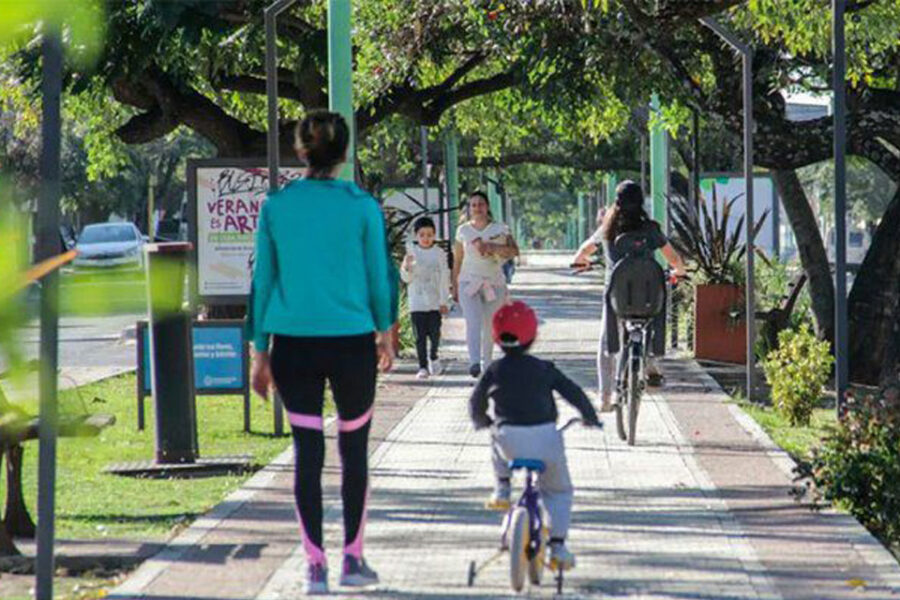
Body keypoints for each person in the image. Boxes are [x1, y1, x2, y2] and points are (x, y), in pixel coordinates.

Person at [248, 110, 394, 595]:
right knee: (354, 453)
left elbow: (263, 281)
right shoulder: (363, 207)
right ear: (346, 154)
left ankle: (315, 567)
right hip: (352, 344)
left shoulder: (276, 207)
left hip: (293, 346)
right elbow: (379, 276)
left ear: (300, 152)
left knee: (306, 454)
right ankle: (353, 559)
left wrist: (258, 351)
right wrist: (386, 332)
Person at [469, 300, 600, 569]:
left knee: (496, 434)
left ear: (496, 337)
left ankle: (503, 487)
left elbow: (476, 401)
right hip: (545, 439)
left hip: (509, 443)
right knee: (558, 491)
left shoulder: (493, 370)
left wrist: (482, 420)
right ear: (533, 336)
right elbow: (572, 391)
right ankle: (558, 548)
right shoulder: (544, 368)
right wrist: (590, 417)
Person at [571, 180, 686, 412]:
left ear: (617, 202)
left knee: (606, 343)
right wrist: (679, 272)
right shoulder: (651, 229)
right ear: (642, 203)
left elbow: (583, 252)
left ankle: (605, 397)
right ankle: (652, 360)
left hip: (616, 298)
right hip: (648, 297)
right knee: (654, 315)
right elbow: (674, 259)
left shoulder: (607, 228)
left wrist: (581, 261)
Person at [452, 191, 519, 378]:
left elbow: (514, 251)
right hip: (468, 282)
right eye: (473, 205)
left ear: (487, 206)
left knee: (490, 325)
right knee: (472, 321)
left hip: (493, 283)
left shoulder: (500, 229)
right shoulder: (463, 231)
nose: (477, 208)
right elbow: (457, 259)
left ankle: (488, 364)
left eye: (480, 204)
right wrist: (454, 285)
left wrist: (493, 248)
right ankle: (474, 362)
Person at [400, 216, 451, 380]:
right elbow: (406, 278)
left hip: (435, 302)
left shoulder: (439, 253)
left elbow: (445, 278)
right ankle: (422, 366)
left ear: (434, 235)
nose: (426, 238)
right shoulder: (411, 253)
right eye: (422, 235)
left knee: (435, 334)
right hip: (417, 302)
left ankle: (434, 356)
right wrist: (407, 266)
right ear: (416, 236)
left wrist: (444, 301)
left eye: (429, 235)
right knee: (419, 337)